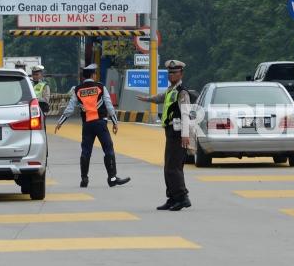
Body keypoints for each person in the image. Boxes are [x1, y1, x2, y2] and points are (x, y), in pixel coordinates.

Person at [55, 63, 130, 188]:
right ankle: (112, 178)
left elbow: (69, 109)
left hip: (87, 125)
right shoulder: (100, 87)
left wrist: (60, 122)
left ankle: (84, 179)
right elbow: (109, 106)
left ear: (84, 76)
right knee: (108, 149)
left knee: (86, 152)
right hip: (100, 124)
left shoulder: (77, 90)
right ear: (93, 75)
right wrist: (115, 122)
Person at [137, 59, 192, 211]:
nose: (171, 75)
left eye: (174, 73)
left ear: (181, 74)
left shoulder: (182, 93)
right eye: (169, 73)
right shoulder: (171, 90)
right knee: (169, 167)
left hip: (179, 133)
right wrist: (147, 98)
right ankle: (172, 197)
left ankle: (182, 197)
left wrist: (185, 135)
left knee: (173, 167)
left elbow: (186, 114)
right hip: (171, 132)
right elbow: (160, 98)